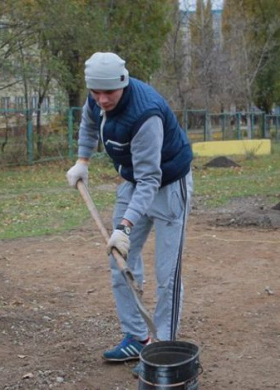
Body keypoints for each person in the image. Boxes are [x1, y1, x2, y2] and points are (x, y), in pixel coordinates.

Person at [66, 52, 194, 369]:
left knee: (167, 275)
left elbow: (151, 178)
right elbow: (88, 124)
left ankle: (162, 349)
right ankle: (137, 338)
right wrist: (83, 161)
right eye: (96, 92)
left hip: (167, 185)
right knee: (120, 260)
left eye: (108, 92)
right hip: (134, 181)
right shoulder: (97, 97)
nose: (102, 99)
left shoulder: (145, 114)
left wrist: (124, 227)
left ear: (123, 83)